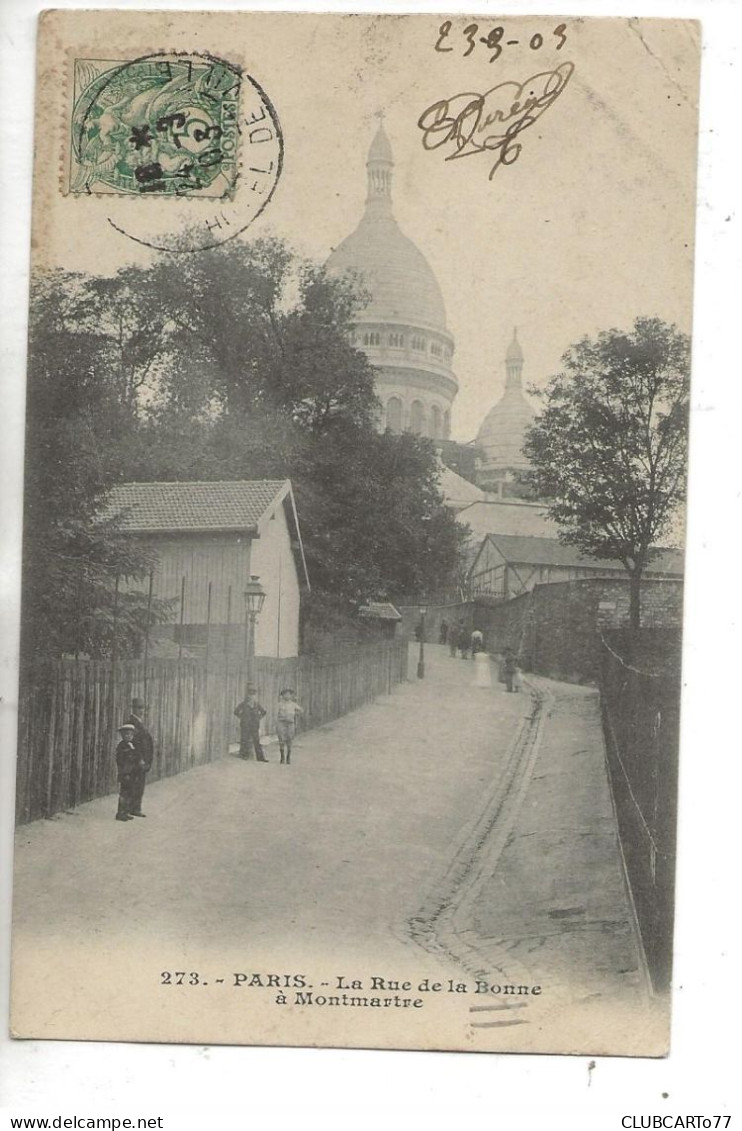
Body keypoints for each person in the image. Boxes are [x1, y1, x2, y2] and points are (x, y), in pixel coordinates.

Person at [125, 697, 154, 817]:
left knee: (139, 783)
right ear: (133, 708)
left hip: (142, 758)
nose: (141, 710)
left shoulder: (139, 722)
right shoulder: (132, 723)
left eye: (142, 708)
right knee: (134, 783)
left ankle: (135, 808)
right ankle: (130, 808)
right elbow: (134, 743)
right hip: (136, 759)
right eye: (139, 708)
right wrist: (139, 758)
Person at [115, 723, 146, 822]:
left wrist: (140, 760)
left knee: (130, 793)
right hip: (125, 773)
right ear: (122, 735)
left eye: (130, 734)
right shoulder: (122, 746)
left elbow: (136, 755)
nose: (129, 736)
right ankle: (120, 813)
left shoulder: (132, 745)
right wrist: (125, 770)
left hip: (132, 773)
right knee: (124, 793)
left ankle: (126, 811)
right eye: (126, 734)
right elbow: (120, 760)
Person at [234, 686, 268, 762]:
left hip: (254, 726)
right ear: (247, 696)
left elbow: (264, 712)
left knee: (256, 741)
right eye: (250, 694)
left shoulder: (257, 704)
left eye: (253, 694)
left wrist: (259, 717)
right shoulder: (243, 704)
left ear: (255, 696)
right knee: (244, 740)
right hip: (245, 725)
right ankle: (244, 755)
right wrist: (241, 717)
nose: (251, 696)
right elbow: (235, 711)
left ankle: (260, 758)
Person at [276, 687, 302, 765]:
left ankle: (288, 757)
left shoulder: (293, 704)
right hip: (281, 723)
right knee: (281, 740)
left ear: (291, 696)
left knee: (289, 739)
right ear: (282, 696)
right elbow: (275, 714)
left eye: (289, 694)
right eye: (285, 694)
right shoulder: (280, 704)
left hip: (290, 723)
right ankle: (282, 757)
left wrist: (294, 714)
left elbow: (301, 710)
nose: (287, 696)